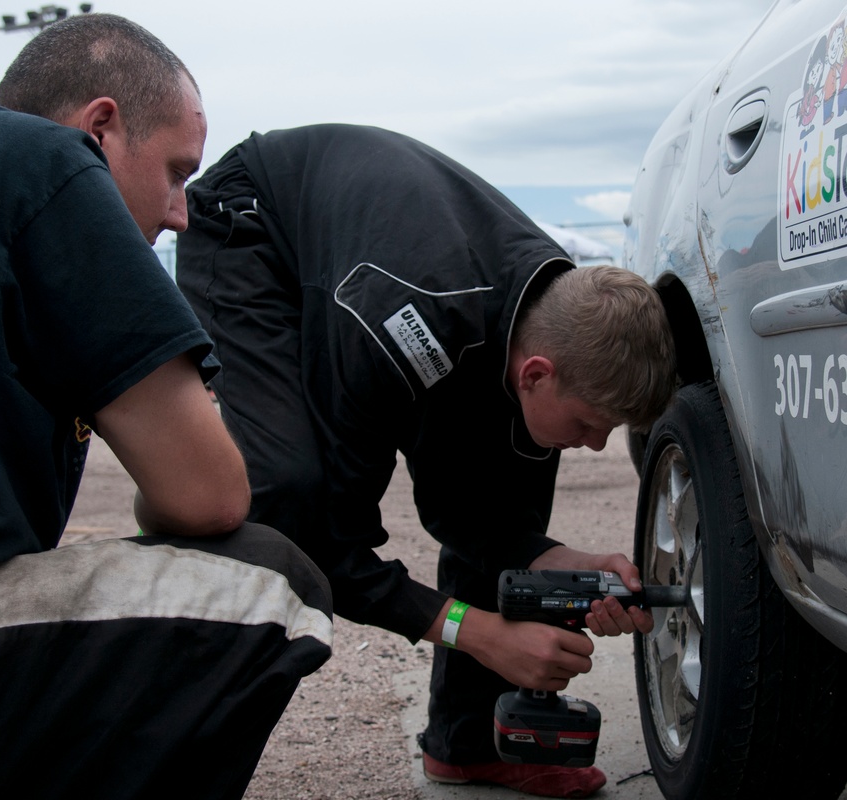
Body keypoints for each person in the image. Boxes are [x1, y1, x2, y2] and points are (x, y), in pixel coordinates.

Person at [0, 15, 332, 798]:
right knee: (266, 578)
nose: (180, 213)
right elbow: (206, 495)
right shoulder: (46, 157)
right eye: (175, 171)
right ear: (99, 129)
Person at [175, 124, 676, 799]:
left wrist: (557, 559)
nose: (593, 444)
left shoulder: (558, 314)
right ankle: (162, 717)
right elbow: (331, 548)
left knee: (508, 493)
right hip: (258, 225)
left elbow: (479, 516)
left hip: (387, 267)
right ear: (535, 373)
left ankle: (468, 745)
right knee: (288, 489)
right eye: (590, 424)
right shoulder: (394, 331)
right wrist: (481, 633)